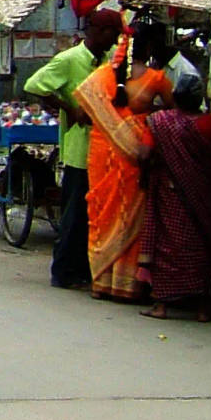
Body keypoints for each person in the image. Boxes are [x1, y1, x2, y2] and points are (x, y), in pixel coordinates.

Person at [24, 7, 125, 290]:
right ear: (99, 32)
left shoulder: (109, 61)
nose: (114, 41)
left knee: (95, 213)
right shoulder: (69, 60)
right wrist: (69, 108)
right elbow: (34, 85)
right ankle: (63, 270)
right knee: (75, 213)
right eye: (112, 35)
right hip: (80, 150)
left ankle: (85, 268)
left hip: (104, 149)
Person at [77, 20, 175, 301]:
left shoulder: (101, 75)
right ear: (151, 47)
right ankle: (127, 286)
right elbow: (174, 112)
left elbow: (84, 113)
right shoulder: (157, 79)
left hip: (101, 155)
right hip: (136, 155)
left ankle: (101, 283)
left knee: (101, 214)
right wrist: (146, 114)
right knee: (132, 220)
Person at [140, 77, 211, 322]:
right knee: (201, 246)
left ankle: (161, 304)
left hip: (170, 192)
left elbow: (143, 153)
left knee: (167, 245)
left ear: (175, 98)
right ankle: (202, 308)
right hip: (202, 195)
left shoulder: (160, 123)